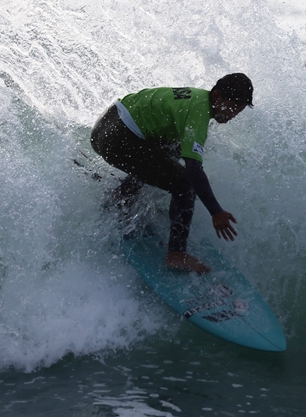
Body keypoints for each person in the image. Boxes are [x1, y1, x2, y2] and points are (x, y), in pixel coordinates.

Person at [90, 73, 253, 274]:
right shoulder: (199, 113)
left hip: (106, 126)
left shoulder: (198, 98)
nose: (233, 115)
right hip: (116, 138)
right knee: (185, 183)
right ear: (217, 96)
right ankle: (176, 254)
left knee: (175, 147)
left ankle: (123, 194)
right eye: (233, 108)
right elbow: (194, 171)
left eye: (238, 111)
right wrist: (216, 212)